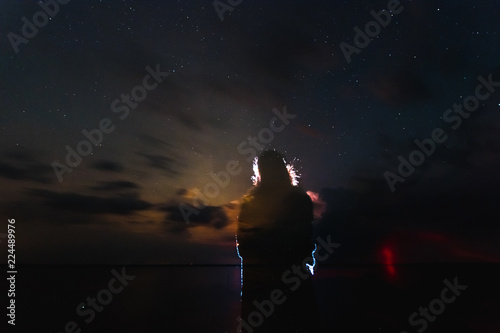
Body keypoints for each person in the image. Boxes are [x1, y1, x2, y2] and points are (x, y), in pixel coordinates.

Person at [236, 150, 320, 333]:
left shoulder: (250, 203)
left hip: (258, 289)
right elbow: (302, 243)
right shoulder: (300, 200)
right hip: (293, 287)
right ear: (284, 169)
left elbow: (243, 247)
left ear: (260, 172)